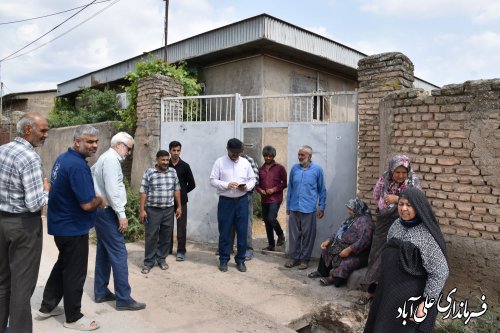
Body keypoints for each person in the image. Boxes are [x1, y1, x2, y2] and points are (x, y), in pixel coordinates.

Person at [37, 125, 105, 331]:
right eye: (89, 142)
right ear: (77, 142)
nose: (94, 146)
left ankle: (47, 305)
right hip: (73, 228)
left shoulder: (63, 159)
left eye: (95, 142)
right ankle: (73, 317)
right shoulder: (77, 166)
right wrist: (99, 201)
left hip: (61, 226)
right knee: (75, 272)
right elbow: (86, 204)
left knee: (62, 266)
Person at [363, 188, 448, 333]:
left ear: (419, 207)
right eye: (400, 204)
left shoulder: (426, 235)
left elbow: (440, 272)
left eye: (409, 205)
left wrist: (424, 305)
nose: (404, 209)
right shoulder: (396, 225)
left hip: (411, 299)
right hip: (389, 292)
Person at [0, 112, 50, 333]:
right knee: (22, 286)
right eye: (43, 130)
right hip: (24, 226)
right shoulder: (29, 157)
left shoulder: (3, 150)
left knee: (3, 282)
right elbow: (33, 204)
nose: (46, 135)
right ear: (28, 130)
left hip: (2, 222)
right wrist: (46, 191)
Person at [91, 132, 146, 311]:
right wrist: (121, 214)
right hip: (108, 213)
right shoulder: (112, 160)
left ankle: (100, 292)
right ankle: (123, 298)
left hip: (102, 211)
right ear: (119, 145)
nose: (128, 153)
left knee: (104, 253)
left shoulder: (104, 158)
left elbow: (93, 178)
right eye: (129, 149)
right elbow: (113, 190)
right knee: (119, 254)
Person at [358, 154, 421, 305]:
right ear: (392, 170)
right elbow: (376, 196)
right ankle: (369, 291)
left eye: (404, 172)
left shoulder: (413, 181)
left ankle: (390, 295)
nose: (400, 175)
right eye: (397, 172)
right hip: (384, 222)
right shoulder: (384, 179)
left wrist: (396, 199)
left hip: (405, 223)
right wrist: (386, 205)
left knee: (397, 256)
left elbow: (419, 201)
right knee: (377, 254)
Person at [209, 138, 256, 273]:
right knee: (225, 231)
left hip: (242, 201)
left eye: (237, 152)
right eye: (232, 152)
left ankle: (240, 260)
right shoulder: (220, 162)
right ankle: (224, 259)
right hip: (226, 201)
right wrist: (226, 185)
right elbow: (212, 180)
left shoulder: (245, 162)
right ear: (227, 150)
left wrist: (246, 187)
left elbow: (252, 179)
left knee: (242, 231)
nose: (235, 155)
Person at [307, 198, 374, 288]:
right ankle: (321, 272)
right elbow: (339, 232)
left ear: (357, 209)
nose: (348, 211)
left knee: (346, 263)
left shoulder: (366, 222)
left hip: (358, 253)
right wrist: (329, 240)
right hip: (343, 246)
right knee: (327, 248)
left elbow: (364, 241)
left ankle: (333, 278)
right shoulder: (352, 219)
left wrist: (349, 250)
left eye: (350, 209)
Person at [139, 150, 182, 273]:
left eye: (167, 160)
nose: (165, 162)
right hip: (153, 210)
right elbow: (143, 191)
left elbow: (177, 190)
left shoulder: (173, 172)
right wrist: (142, 210)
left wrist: (179, 206)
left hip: (168, 209)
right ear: (157, 159)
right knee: (151, 236)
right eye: (162, 160)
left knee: (166, 236)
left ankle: (161, 259)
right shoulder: (149, 172)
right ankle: (148, 262)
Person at [285, 145, 326, 270]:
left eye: (302, 155)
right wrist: (288, 205)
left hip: (309, 208)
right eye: (299, 154)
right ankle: (294, 258)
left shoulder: (317, 170)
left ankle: (305, 259)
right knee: (293, 235)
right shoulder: (294, 169)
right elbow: (290, 188)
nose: (300, 157)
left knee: (308, 236)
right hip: (294, 208)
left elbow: (322, 190)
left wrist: (322, 207)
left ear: (309, 156)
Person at [167, 141, 196, 262]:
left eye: (178, 150)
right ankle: (167, 249)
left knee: (181, 227)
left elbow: (192, 184)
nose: (176, 153)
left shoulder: (185, 166)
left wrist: (182, 192)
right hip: (167, 201)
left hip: (182, 202)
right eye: (174, 150)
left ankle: (180, 251)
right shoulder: (164, 164)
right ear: (170, 151)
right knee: (167, 226)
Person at [255, 145, 287, 251]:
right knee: (267, 221)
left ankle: (281, 235)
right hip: (264, 199)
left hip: (275, 198)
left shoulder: (280, 168)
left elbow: (284, 183)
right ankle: (271, 245)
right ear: (263, 156)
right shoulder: (260, 170)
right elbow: (256, 184)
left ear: (273, 156)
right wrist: (261, 191)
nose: (268, 158)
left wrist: (273, 190)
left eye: (270, 156)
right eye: (266, 156)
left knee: (271, 218)